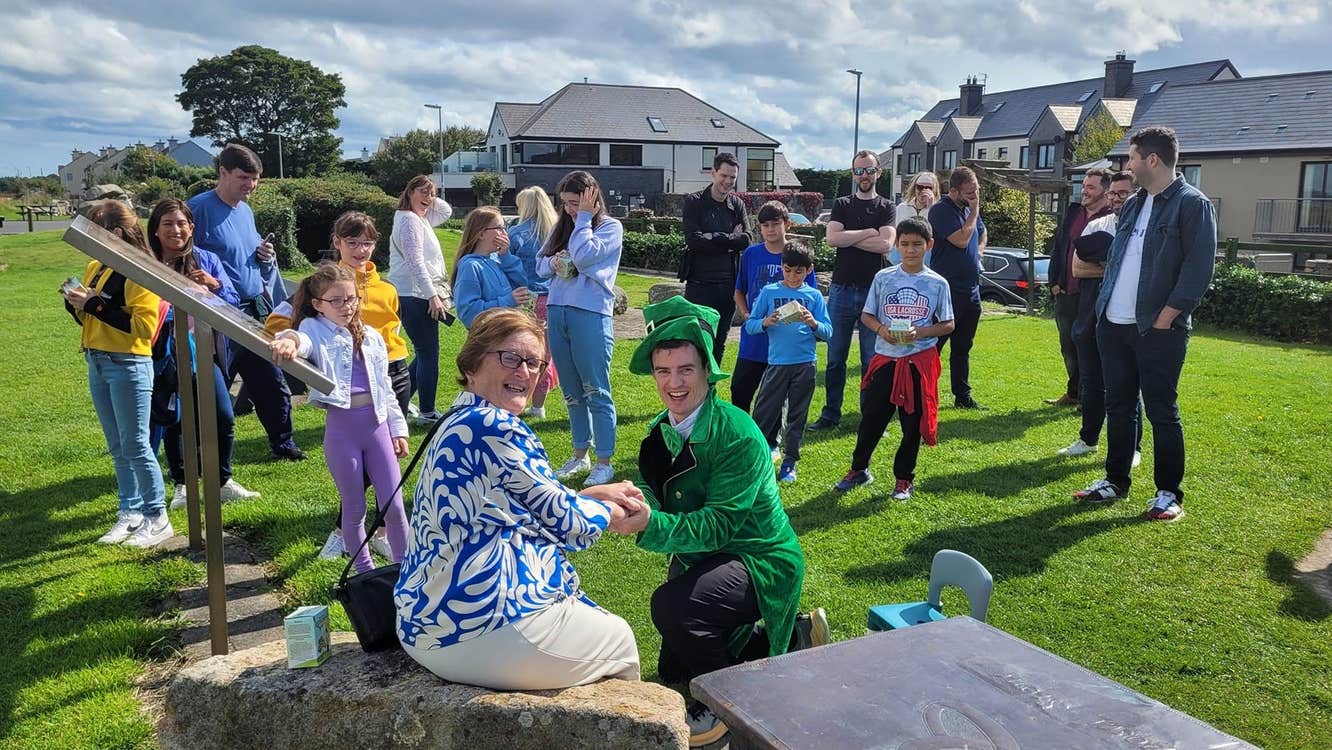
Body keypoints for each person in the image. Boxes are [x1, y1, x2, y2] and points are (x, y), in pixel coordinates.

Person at [613, 295, 824, 748]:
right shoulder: (659, 430)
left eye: (686, 369)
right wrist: (635, 499)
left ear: (708, 371)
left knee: (674, 609)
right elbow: (654, 486)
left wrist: (649, 524)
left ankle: (730, 702)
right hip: (702, 556)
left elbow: (718, 527)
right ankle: (787, 641)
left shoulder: (739, 434)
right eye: (663, 371)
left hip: (758, 557)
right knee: (673, 667)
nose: (674, 383)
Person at [394, 308, 642, 690]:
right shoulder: (495, 426)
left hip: (424, 619)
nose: (524, 372)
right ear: (473, 363)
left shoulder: (460, 417)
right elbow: (566, 523)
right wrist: (610, 510)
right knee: (621, 639)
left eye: (534, 362)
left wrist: (585, 495)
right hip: (479, 628)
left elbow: (520, 502)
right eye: (510, 358)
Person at [1074, 127, 1216, 522]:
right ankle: (1115, 480)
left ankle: (1168, 493)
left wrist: (1167, 316)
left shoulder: (1192, 205)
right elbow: (1119, 257)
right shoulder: (1134, 204)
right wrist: (1103, 309)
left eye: (1132, 158)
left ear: (1152, 159)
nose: (1128, 166)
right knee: (1118, 405)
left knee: (1161, 410)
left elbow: (1198, 269)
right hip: (1113, 324)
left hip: (1159, 329)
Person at [265, 211, 410, 560]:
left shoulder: (374, 328)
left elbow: (384, 386)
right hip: (344, 427)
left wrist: (398, 427)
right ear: (318, 304)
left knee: (395, 505)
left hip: (379, 416)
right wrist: (288, 341)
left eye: (351, 300)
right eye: (353, 241)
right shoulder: (316, 322)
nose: (347, 306)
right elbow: (300, 337)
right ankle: (360, 570)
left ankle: (408, 571)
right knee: (354, 504)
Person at [62, 200, 171, 547]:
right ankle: (131, 511)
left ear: (116, 233)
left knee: (136, 444)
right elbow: (91, 317)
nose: (89, 242)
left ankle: (157, 517)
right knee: (118, 445)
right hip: (97, 359)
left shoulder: (140, 270)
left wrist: (94, 304)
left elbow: (143, 327)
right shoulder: (98, 264)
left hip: (128, 363)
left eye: (94, 233)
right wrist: (77, 303)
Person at [188, 143, 304, 460]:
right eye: (243, 177)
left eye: (255, 179)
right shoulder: (198, 209)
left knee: (270, 380)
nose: (250, 185)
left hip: (253, 310)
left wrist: (264, 254)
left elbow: (246, 252)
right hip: (218, 313)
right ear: (222, 173)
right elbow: (182, 259)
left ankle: (284, 444)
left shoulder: (246, 210)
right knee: (213, 388)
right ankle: (198, 453)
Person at [146, 198, 259, 509]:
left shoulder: (206, 260)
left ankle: (222, 481)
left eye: (181, 223)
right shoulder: (146, 263)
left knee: (223, 416)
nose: (176, 230)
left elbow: (233, 302)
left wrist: (215, 285)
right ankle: (183, 485)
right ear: (155, 230)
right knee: (175, 419)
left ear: (192, 228)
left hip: (204, 353)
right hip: (164, 356)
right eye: (167, 224)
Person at [832, 217, 954, 501]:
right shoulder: (883, 277)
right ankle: (859, 469)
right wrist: (881, 330)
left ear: (929, 246)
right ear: (896, 246)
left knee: (912, 425)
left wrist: (919, 332)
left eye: (917, 244)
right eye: (905, 244)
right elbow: (867, 315)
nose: (910, 250)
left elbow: (948, 324)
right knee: (872, 419)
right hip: (886, 360)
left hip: (917, 363)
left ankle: (903, 479)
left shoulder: (937, 284)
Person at [536, 171, 623, 487]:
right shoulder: (564, 227)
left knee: (596, 390)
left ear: (592, 198)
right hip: (558, 312)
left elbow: (585, 255)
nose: (570, 210)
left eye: (575, 203)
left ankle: (604, 461)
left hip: (591, 314)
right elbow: (540, 264)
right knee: (572, 392)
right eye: (567, 204)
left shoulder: (610, 227)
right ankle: (579, 454)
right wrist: (556, 262)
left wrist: (584, 218)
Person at [1058, 171, 1143, 466]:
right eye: (1113, 194)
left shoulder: (1142, 228)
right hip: (1090, 315)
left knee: (1128, 384)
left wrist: (1106, 263)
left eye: (1123, 193)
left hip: (1125, 319)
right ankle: (1088, 439)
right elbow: (1078, 269)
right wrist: (1118, 266)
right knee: (1092, 381)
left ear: (1137, 194)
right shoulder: (1097, 224)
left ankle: (1133, 448)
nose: (1116, 199)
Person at [810, 150, 896, 431]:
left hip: (874, 293)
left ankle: (869, 416)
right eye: (859, 171)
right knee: (835, 359)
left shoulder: (886, 207)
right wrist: (868, 232)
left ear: (878, 173)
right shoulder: (843, 205)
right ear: (853, 174)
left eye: (869, 170)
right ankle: (830, 414)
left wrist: (851, 238)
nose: (864, 176)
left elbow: (886, 246)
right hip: (842, 291)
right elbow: (832, 238)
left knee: (871, 360)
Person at [744, 242, 832, 483]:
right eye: (788, 270)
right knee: (764, 412)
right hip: (777, 364)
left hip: (805, 364)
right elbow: (750, 325)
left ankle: (790, 462)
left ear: (809, 270)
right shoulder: (769, 292)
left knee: (797, 415)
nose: (792, 276)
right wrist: (766, 322)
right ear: (781, 268)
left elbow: (828, 332)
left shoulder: (813, 296)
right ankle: (756, 460)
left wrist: (813, 323)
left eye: (799, 272)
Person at [387, 175, 455, 423]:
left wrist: (428, 199)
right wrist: (432, 295)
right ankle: (427, 411)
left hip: (416, 293)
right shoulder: (409, 221)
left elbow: (446, 211)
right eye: (423, 192)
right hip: (414, 295)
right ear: (409, 192)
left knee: (425, 352)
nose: (429, 198)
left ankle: (399, 402)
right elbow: (415, 262)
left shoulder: (419, 218)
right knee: (429, 354)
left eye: (432, 193)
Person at [1046, 167, 1114, 408]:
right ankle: (1074, 392)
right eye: (1084, 186)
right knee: (1068, 346)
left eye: (1091, 187)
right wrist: (1054, 282)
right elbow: (1059, 248)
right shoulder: (1074, 213)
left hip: (1091, 294)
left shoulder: (1111, 218)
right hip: (1065, 292)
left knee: (1090, 347)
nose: (1084, 191)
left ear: (1106, 191)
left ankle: (1090, 397)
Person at [681, 152, 750, 363]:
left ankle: (710, 391)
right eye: (724, 176)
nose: (728, 182)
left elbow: (746, 239)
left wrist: (712, 237)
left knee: (719, 344)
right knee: (698, 343)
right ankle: (696, 393)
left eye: (732, 177)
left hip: (728, 285)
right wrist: (730, 239)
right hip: (699, 285)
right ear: (713, 173)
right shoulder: (694, 202)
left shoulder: (737, 205)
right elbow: (693, 241)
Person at [927, 166, 987, 409]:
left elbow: (981, 233)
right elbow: (961, 240)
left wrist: (979, 253)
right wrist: (974, 210)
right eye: (969, 192)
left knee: (963, 346)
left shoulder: (969, 209)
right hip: (948, 290)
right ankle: (922, 393)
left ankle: (962, 396)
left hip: (971, 290)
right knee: (935, 346)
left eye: (977, 191)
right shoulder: (941, 211)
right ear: (953, 191)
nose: (974, 196)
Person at [730, 200, 790, 413]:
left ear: (787, 224)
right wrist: (746, 314)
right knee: (739, 390)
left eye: (775, 224)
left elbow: (807, 295)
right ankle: (742, 435)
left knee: (775, 396)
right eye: (765, 225)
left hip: (782, 339)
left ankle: (772, 441)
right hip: (753, 337)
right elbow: (739, 290)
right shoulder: (751, 254)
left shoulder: (796, 254)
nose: (770, 229)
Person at [507, 186, 560, 418]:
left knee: (523, 355)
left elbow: (507, 266)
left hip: (527, 298)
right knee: (545, 357)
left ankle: (517, 399)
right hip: (554, 298)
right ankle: (539, 406)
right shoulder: (557, 233)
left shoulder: (517, 233)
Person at [451, 206, 531, 328]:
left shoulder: (498, 260)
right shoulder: (470, 266)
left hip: (506, 331)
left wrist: (506, 256)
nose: (505, 233)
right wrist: (507, 301)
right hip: (488, 338)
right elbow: (468, 314)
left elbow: (522, 283)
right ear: (481, 233)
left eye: (505, 228)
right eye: (499, 228)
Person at [890, 171, 939, 265]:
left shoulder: (939, 210)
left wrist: (932, 209)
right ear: (914, 188)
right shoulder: (902, 207)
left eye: (929, 188)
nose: (923, 191)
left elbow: (938, 234)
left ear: (934, 190)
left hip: (927, 262)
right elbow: (894, 233)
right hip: (901, 259)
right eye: (920, 187)